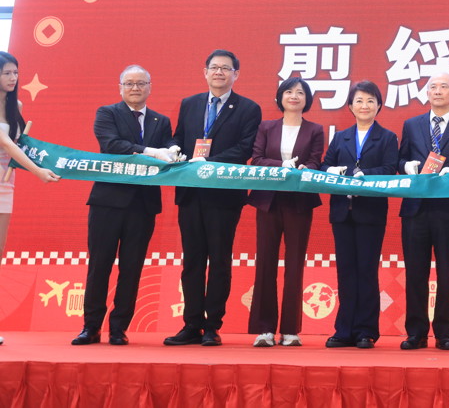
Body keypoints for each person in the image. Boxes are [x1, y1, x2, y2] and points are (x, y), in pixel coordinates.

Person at [164, 49, 261, 347]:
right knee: (192, 261)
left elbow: (245, 148)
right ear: (205, 72)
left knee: (219, 260)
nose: (219, 72)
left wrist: (209, 163)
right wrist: (173, 149)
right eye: (214, 67)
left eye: (225, 68)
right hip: (191, 193)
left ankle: (212, 326)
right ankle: (191, 324)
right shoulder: (190, 104)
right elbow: (179, 136)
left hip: (223, 195)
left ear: (236, 74)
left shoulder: (248, 108)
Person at [72, 65, 174, 347]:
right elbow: (112, 145)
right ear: (120, 87)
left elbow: (170, 145)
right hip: (108, 202)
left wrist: (173, 151)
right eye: (129, 83)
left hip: (143, 204)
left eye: (141, 83)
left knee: (132, 267)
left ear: (150, 87)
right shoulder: (107, 113)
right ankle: (91, 327)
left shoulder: (160, 120)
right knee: (99, 265)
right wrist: (151, 152)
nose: (135, 88)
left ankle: (119, 328)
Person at [397, 72, 449, 351]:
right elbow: (400, 158)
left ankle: (445, 333)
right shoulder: (412, 125)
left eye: (444, 86)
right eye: (432, 86)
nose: (437, 91)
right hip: (415, 209)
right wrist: (407, 166)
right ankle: (416, 332)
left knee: (447, 273)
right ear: (427, 93)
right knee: (415, 272)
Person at [248, 77, 323, 348]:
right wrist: (281, 165)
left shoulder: (315, 130)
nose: (294, 96)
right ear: (280, 97)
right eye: (289, 91)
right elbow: (257, 159)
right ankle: (265, 329)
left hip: (298, 203)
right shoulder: (266, 127)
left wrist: (304, 169)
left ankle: (290, 330)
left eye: (300, 93)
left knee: (294, 264)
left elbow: (315, 161)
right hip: (268, 202)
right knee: (265, 262)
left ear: (307, 99)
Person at [323, 80, 398, 349]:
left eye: (370, 101)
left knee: (366, 270)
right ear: (350, 106)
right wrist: (331, 171)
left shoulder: (387, 137)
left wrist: (365, 175)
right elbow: (325, 165)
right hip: (342, 212)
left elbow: (390, 168)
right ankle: (344, 330)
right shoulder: (340, 137)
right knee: (345, 271)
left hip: (370, 213)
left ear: (379, 106)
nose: (364, 106)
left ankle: (366, 331)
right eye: (359, 101)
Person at [0, 51, 60, 346]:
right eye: (6, 73)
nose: (13, 78)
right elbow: (7, 144)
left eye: (15, 73)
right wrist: (38, 171)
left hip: (4, 187)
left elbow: (20, 144)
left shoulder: (17, 106)